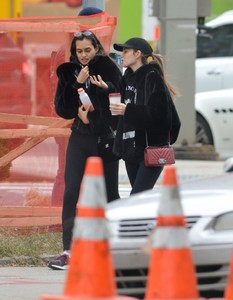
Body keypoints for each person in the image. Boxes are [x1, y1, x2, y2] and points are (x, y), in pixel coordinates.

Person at [48, 30, 122, 270]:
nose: (83, 56)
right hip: (80, 138)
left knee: (110, 194)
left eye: (87, 50)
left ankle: (113, 247)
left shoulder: (109, 68)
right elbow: (63, 109)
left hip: (104, 139)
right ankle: (68, 249)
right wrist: (77, 83)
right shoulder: (68, 71)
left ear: (96, 48)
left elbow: (117, 107)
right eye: (79, 51)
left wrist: (103, 90)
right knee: (71, 192)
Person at [110, 37, 181, 195]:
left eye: (126, 51)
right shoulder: (126, 78)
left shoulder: (151, 77)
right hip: (130, 150)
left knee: (136, 196)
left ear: (137, 54)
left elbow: (160, 116)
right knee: (140, 200)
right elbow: (120, 116)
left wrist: (128, 110)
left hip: (150, 149)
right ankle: (152, 220)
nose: (122, 55)